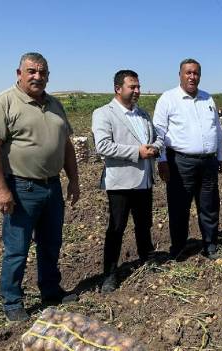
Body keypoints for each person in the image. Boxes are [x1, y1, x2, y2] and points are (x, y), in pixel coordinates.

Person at [0, 52, 80, 322]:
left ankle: (50, 289)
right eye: (32, 71)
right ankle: (12, 300)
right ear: (19, 73)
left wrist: (73, 179)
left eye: (43, 72)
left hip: (52, 187)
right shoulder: (4, 103)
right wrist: (0, 189)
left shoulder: (55, 104)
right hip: (21, 187)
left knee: (51, 243)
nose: (38, 76)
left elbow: (67, 145)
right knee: (17, 248)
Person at [92, 70, 158, 293]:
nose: (138, 91)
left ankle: (147, 258)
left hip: (144, 180)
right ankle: (110, 273)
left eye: (138, 86)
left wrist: (156, 146)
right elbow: (103, 146)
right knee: (117, 228)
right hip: (120, 182)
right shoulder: (104, 114)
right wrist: (137, 152)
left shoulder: (143, 115)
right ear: (118, 89)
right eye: (133, 87)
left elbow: (156, 138)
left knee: (144, 223)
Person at [153, 58, 222, 260]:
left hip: (208, 162)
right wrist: (162, 160)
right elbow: (158, 132)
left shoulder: (208, 99)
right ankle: (178, 247)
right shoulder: (168, 99)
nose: (193, 77)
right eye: (189, 73)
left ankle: (210, 244)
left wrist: (220, 156)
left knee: (209, 205)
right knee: (179, 206)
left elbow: (217, 130)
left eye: (196, 73)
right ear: (180, 75)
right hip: (180, 162)